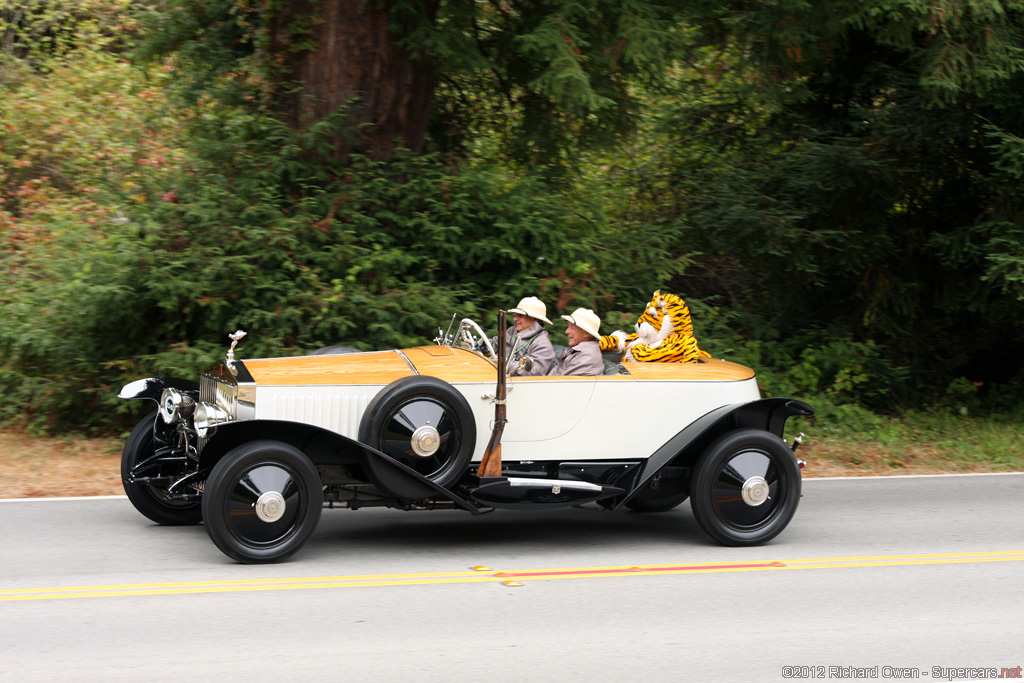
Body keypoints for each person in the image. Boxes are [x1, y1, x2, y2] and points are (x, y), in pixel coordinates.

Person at [489, 296, 555, 376]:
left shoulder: (543, 345)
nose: (515, 319)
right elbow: (494, 344)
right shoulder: (512, 331)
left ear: (535, 319)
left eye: (520, 315)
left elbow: (533, 373)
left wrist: (501, 363)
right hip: (495, 375)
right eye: (516, 315)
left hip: (519, 386)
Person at [552, 308, 604, 376]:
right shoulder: (581, 352)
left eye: (572, 327)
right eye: (568, 326)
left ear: (586, 333)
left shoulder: (586, 356)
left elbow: (563, 384)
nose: (566, 331)